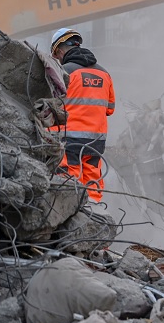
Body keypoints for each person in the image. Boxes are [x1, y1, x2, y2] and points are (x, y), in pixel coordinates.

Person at [49, 28, 115, 202]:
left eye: (57, 56)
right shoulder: (104, 73)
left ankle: (74, 219)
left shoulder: (64, 72)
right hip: (96, 141)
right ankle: (95, 214)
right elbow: (110, 109)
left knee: (69, 184)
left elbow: (49, 105)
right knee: (93, 181)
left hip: (68, 139)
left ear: (60, 50)